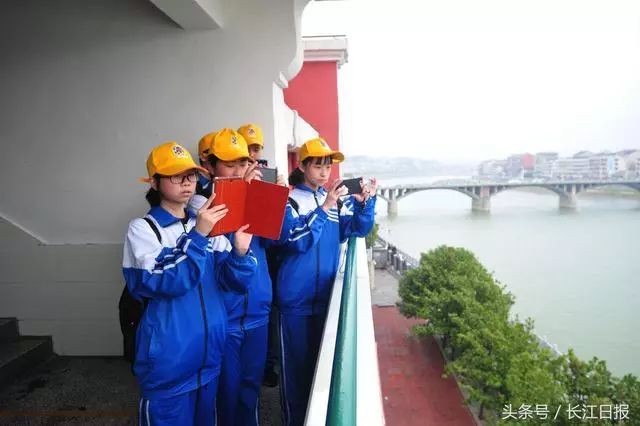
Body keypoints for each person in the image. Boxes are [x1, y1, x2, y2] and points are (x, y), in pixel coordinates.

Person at [122, 141, 256, 425]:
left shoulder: (205, 223)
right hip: (168, 365)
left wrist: (240, 253)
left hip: (209, 359)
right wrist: (197, 236)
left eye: (191, 175)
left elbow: (234, 283)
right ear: (154, 183)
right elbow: (166, 281)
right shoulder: (143, 229)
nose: (186, 182)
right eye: (175, 176)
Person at [276, 137, 377, 426]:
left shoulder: (334, 201)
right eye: (317, 166)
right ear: (302, 166)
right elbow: (295, 241)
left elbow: (356, 230)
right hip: (295, 302)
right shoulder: (288, 201)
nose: (324, 172)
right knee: (296, 376)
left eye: (328, 166)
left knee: (321, 371)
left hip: (326, 298)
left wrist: (364, 205)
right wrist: (324, 207)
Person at [201, 128, 276, 425]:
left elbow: (277, 239)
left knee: (250, 392)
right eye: (229, 164)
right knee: (225, 395)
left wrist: (272, 198)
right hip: (226, 319)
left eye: (242, 163)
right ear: (211, 166)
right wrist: (240, 193)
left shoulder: (255, 193)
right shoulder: (201, 205)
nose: (237, 170)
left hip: (257, 312)